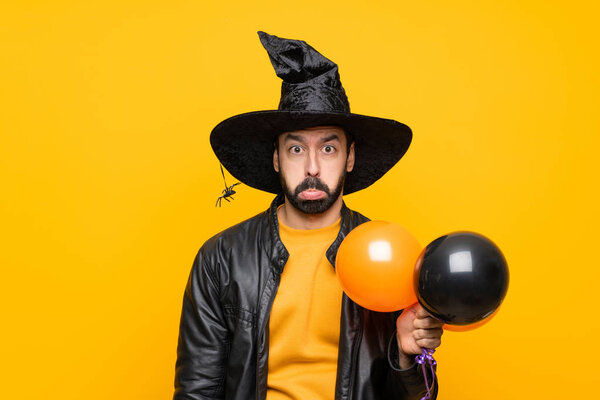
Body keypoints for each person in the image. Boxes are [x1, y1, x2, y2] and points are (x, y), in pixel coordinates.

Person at [174, 31, 444, 400]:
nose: (312, 166)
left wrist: (407, 356)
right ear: (276, 159)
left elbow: (417, 397)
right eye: (297, 148)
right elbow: (198, 389)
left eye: (329, 148)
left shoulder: (390, 257)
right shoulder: (221, 258)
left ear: (349, 158)